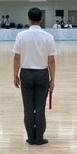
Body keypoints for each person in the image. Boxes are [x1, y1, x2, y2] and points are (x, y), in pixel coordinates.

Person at [12, 8, 56, 146]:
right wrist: (52, 79)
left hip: (26, 74)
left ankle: (31, 138)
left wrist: (15, 75)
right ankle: (39, 138)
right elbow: (51, 61)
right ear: (41, 19)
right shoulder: (48, 37)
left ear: (28, 19)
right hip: (42, 74)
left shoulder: (21, 35)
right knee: (40, 107)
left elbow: (17, 58)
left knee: (28, 107)